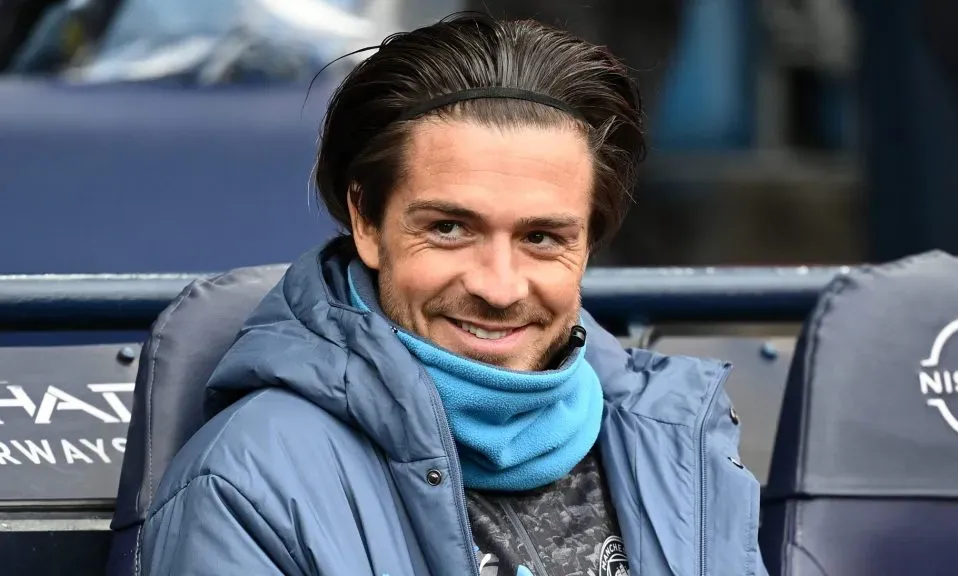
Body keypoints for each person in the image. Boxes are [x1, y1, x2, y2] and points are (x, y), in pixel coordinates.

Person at [141, 13, 767, 576]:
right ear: (365, 220)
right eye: (448, 229)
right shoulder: (249, 483)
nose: (498, 286)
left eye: (542, 237)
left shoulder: (675, 439)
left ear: (588, 243)